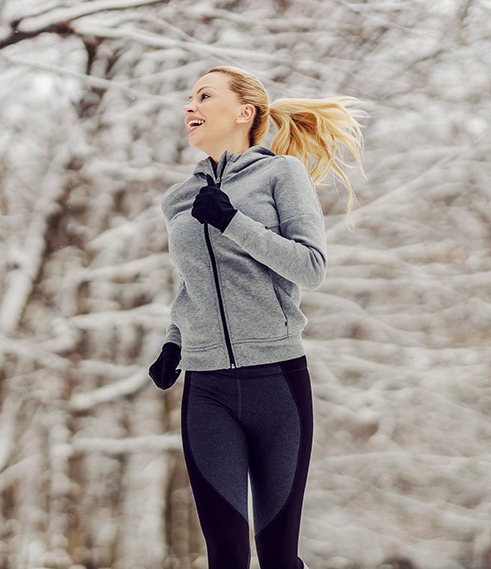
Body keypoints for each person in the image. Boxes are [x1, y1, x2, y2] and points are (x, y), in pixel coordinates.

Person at [148, 66, 364, 569]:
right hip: (206, 389)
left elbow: (311, 267)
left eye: (204, 96)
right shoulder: (178, 199)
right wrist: (174, 340)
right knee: (225, 554)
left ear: (244, 112)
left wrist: (232, 221)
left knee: (277, 557)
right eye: (189, 98)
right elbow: (194, 281)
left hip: (277, 383)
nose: (190, 106)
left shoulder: (281, 174)